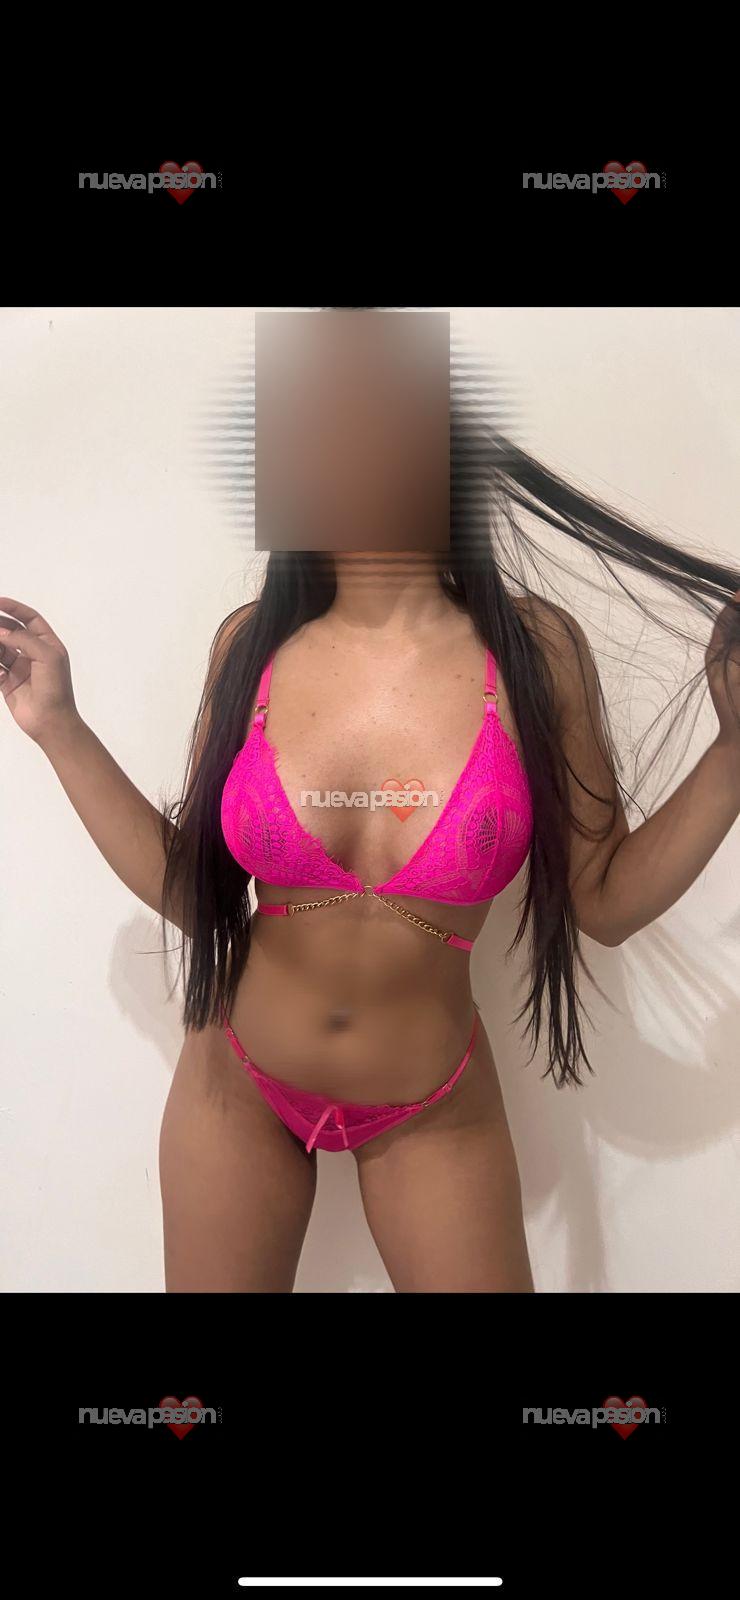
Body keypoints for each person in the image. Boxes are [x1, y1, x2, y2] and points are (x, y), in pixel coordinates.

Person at [2, 308, 739, 1294]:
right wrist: (58, 726)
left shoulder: (534, 652)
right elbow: (195, 892)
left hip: (433, 1109)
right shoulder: (251, 647)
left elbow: (602, 901)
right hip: (234, 1085)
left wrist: (732, 755)